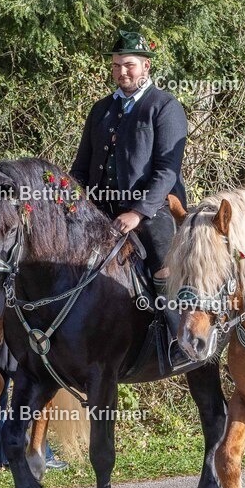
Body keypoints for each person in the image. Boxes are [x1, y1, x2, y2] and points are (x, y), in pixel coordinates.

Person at [69, 28, 188, 361]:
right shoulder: (101, 109)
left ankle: (176, 337)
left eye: (130, 65)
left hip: (154, 208)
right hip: (100, 208)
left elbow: (167, 171)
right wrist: (71, 200)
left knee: (160, 251)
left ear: (146, 66)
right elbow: (80, 168)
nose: (122, 71)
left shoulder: (164, 107)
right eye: (117, 65)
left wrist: (138, 212)